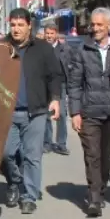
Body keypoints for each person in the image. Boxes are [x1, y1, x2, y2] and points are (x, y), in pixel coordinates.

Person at [1, 7, 63, 214]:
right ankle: (14, 182)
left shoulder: (43, 48)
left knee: (32, 156)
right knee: (6, 153)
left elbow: (55, 75)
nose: (16, 29)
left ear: (29, 26)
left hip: (35, 111)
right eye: (13, 25)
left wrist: (55, 99)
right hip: (8, 112)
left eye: (21, 25)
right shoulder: (1, 47)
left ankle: (29, 196)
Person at [67, 7, 110, 217]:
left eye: (100, 25)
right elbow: (74, 84)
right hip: (89, 112)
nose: (95, 28)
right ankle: (94, 198)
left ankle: (101, 188)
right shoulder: (83, 50)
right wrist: (75, 112)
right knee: (92, 155)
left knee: (105, 156)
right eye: (93, 24)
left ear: (109, 26)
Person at [41, 21, 70, 155]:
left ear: (56, 34)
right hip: (45, 85)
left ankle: (61, 143)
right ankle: (47, 143)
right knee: (47, 115)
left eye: (52, 33)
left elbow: (70, 67)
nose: (49, 36)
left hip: (61, 85)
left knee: (62, 115)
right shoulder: (40, 48)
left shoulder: (65, 49)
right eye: (47, 33)